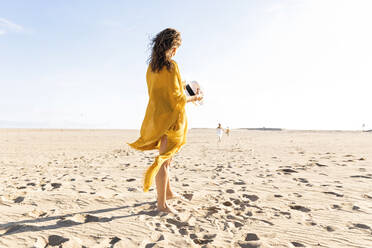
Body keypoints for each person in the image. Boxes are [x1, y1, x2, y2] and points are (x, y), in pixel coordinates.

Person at [129, 28, 203, 213]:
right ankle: (161, 204)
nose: (176, 51)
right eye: (176, 47)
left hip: (156, 116)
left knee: (167, 159)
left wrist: (182, 87)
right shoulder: (172, 66)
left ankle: (168, 192)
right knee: (163, 160)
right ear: (172, 48)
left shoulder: (151, 68)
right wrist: (195, 98)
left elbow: (162, 92)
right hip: (170, 118)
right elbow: (177, 98)